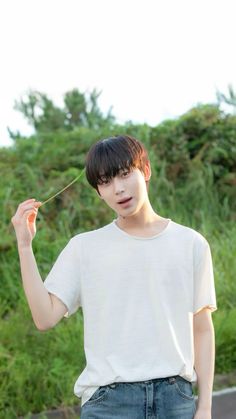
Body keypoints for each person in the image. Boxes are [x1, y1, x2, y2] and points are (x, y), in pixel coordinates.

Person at [12, 135, 217, 419]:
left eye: (124, 174)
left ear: (145, 171)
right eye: (106, 181)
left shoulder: (191, 243)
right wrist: (24, 246)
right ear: (98, 191)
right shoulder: (84, 247)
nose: (118, 189)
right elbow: (44, 317)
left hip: (175, 400)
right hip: (108, 403)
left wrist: (205, 407)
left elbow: (202, 329)